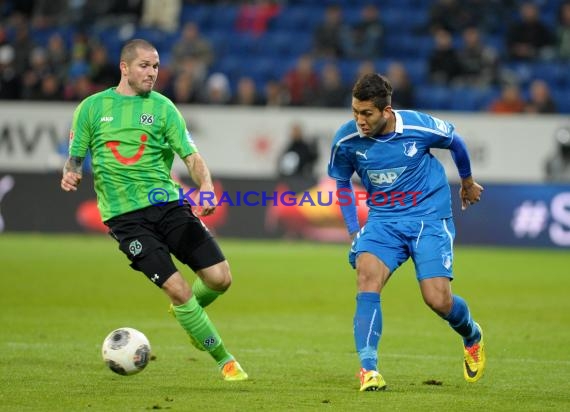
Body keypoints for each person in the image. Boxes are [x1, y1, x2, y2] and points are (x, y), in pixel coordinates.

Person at [60, 39, 248, 382]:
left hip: (169, 206)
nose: (152, 73)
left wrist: (205, 186)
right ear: (125, 67)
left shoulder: (163, 108)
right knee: (179, 290)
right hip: (125, 219)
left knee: (221, 279)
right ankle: (225, 360)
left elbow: (191, 155)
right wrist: (71, 170)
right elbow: (76, 152)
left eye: (156, 66)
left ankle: (188, 315)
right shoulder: (91, 108)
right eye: (145, 66)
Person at [327, 73, 485, 391]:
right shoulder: (346, 141)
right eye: (355, 112)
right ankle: (368, 369)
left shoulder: (417, 127)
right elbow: (342, 182)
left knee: (438, 300)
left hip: (429, 217)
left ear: (387, 111)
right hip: (384, 220)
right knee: (366, 276)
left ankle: (472, 334)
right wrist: (353, 230)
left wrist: (467, 181)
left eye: (367, 113)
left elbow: (456, 142)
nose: (360, 120)